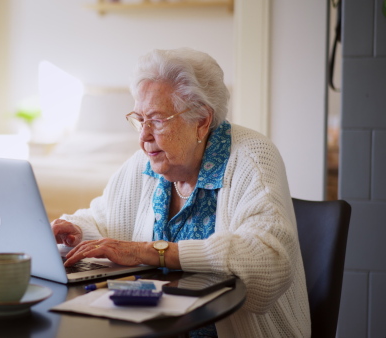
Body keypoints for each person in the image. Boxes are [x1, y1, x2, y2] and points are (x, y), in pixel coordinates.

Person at [51, 48, 311, 337]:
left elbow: (268, 261)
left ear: (200, 120)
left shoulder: (252, 158)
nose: (143, 137)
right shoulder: (146, 163)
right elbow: (105, 220)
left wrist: (153, 252)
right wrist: (74, 229)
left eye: (158, 121)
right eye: (140, 119)